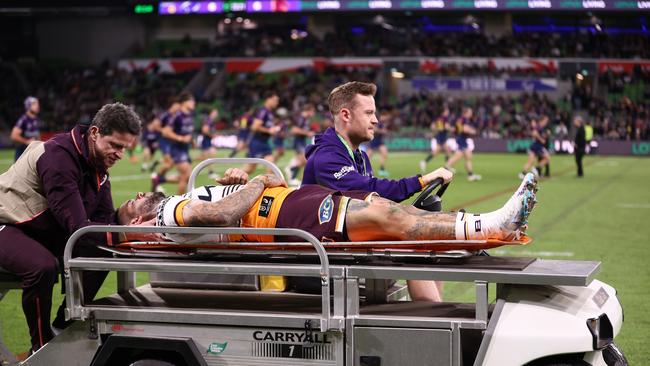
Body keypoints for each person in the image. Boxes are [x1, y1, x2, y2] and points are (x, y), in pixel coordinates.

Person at [0, 103, 142, 353]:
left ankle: (63, 327)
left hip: (35, 228)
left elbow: (103, 223)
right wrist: (123, 232)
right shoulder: (58, 157)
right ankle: (42, 348)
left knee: (106, 248)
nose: (120, 154)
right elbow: (79, 229)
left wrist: (132, 222)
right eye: (116, 145)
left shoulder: (98, 167)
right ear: (95, 132)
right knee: (42, 266)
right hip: (6, 221)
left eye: (125, 148)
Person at [117, 169, 537, 253]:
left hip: (286, 209)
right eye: (130, 202)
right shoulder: (168, 215)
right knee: (383, 219)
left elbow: (225, 204)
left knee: (383, 212)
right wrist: (256, 182)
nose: (137, 194)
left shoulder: (176, 204)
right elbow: (223, 216)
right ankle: (492, 225)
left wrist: (238, 176)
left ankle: (488, 227)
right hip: (282, 219)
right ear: (137, 221)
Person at [301, 81, 454, 301]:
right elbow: (366, 189)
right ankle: (436, 320)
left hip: (346, 248)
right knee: (410, 246)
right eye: (369, 113)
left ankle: (439, 318)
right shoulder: (326, 157)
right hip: (321, 261)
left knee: (430, 240)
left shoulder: (359, 157)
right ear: (346, 115)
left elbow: (374, 200)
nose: (376, 120)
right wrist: (420, 181)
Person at [154, 92, 195, 194]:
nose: (194, 103)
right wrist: (180, 138)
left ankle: (160, 180)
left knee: (188, 177)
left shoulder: (189, 115)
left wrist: (192, 141)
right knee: (184, 176)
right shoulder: (177, 115)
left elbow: (188, 132)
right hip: (177, 148)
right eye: (191, 101)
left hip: (185, 149)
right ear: (185, 102)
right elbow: (166, 132)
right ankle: (180, 204)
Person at [244, 91, 280, 174]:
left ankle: (268, 185)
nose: (277, 102)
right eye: (275, 100)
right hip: (257, 142)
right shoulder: (263, 111)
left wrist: (272, 130)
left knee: (270, 164)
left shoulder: (269, 113)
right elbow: (254, 127)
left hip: (264, 142)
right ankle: (231, 180)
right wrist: (269, 130)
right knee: (250, 169)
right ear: (268, 99)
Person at [151, 97, 181, 192]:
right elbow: (155, 125)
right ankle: (157, 178)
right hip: (164, 141)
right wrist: (162, 130)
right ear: (172, 105)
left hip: (170, 142)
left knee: (170, 163)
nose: (178, 107)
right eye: (177, 105)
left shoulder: (175, 116)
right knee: (169, 162)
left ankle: (157, 180)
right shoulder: (165, 115)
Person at [445, 107, 482, 181]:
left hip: (461, 139)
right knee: (460, 157)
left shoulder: (460, 119)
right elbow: (465, 129)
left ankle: (470, 175)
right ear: (466, 113)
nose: (471, 114)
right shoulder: (465, 119)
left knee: (466, 157)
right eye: (470, 112)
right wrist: (473, 131)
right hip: (462, 140)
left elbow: (456, 129)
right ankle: (444, 170)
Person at [285, 103, 316, 186]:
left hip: (302, 141)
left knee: (304, 161)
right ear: (308, 110)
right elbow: (294, 130)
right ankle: (291, 169)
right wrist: (307, 133)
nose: (313, 114)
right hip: (298, 141)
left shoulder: (305, 119)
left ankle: (292, 174)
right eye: (313, 111)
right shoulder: (301, 118)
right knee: (306, 160)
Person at [420, 107, 452, 173]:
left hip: (439, 135)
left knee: (445, 150)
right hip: (442, 136)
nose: (448, 112)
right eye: (447, 110)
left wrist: (437, 130)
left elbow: (432, 126)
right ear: (444, 111)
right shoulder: (445, 118)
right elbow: (446, 127)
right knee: (444, 150)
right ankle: (447, 166)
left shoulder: (438, 118)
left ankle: (447, 166)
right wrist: (451, 129)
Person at [11, 96, 41, 161]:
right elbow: (13, 136)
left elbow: (37, 135)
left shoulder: (36, 119)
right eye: (34, 104)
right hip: (22, 154)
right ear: (28, 106)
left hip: (32, 153)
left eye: (37, 104)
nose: (37, 106)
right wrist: (26, 141)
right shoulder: (23, 120)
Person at [196, 108, 220, 179]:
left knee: (206, 157)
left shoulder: (210, 120)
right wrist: (212, 135)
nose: (217, 114)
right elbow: (204, 130)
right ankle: (211, 173)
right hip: (205, 141)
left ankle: (189, 161)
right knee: (209, 156)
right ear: (212, 112)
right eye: (215, 112)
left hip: (207, 141)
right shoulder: (209, 120)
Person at [366, 110, 390, 177]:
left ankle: (381, 169)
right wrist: (382, 131)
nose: (386, 118)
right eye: (384, 116)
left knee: (384, 153)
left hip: (379, 141)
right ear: (381, 116)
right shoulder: (377, 121)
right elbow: (375, 129)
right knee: (367, 157)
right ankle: (366, 169)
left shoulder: (383, 123)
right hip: (373, 140)